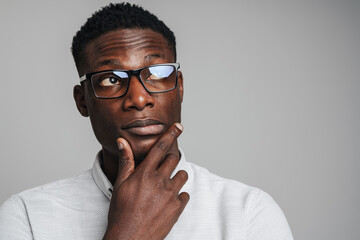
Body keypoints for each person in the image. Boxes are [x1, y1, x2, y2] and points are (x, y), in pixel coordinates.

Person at [0, 3, 293, 240]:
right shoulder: (27, 216)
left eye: (156, 74)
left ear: (179, 87)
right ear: (82, 101)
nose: (139, 99)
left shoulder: (250, 213)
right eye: (111, 79)